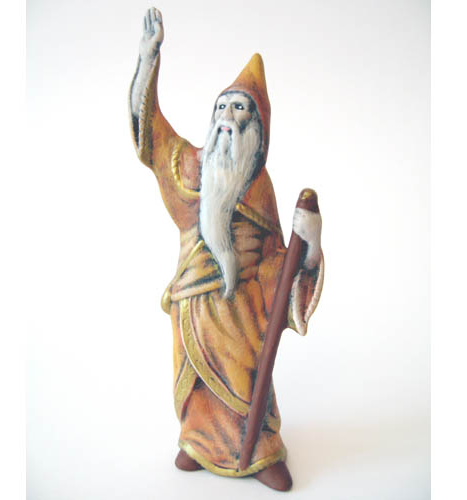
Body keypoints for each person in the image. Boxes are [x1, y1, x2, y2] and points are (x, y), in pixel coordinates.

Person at [129, 7, 324, 491]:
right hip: (191, 307)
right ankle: (198, 442)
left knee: (246, 382)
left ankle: (258, 450)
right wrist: (147, 63)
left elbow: (279, 263)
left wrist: (311, 241)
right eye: (222, 108)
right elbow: (150, 134)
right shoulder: (188, 167)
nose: (227, 119)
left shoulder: (260, 189)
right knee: (195, 387)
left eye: (240, 109)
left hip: (242, 318)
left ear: (258, 127)